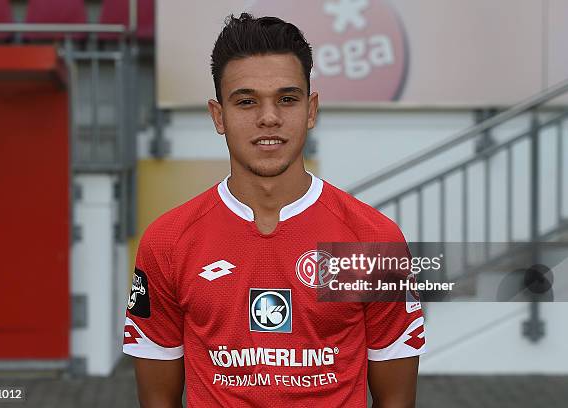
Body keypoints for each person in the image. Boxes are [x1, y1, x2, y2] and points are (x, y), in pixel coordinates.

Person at [123, 13, 425, 407]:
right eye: (246, 101)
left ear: (311, 109)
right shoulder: (168, 241)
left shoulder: (371, 241)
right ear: (219, 116)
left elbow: (396, 399)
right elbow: (157, 399)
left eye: (287, 99)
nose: (269, 118)